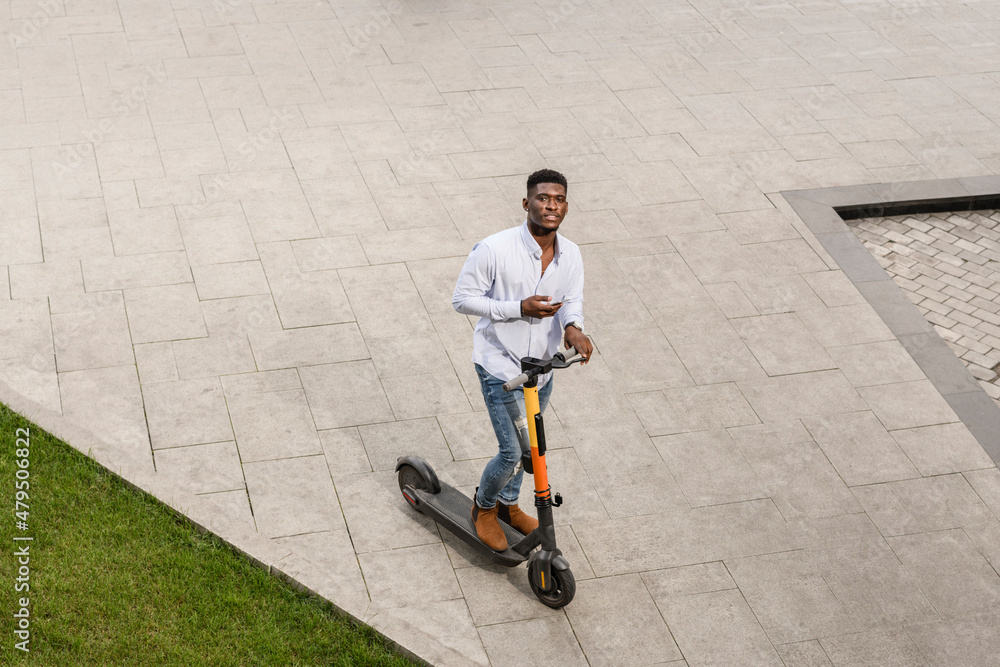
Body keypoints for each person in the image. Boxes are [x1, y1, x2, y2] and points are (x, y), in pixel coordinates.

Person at [452, 168, 593, 552]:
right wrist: (518, 308)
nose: (551, 205)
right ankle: (483, 508)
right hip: (500, 366)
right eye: (544, 198)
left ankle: (508, 505)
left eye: (559, 199)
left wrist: (573, 328)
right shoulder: (494, 249)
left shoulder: (572, 254)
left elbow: (572, 299)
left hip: (541, 371)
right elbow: (462, 299)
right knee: (513, 451)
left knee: (532, 447)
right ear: (526, 202)